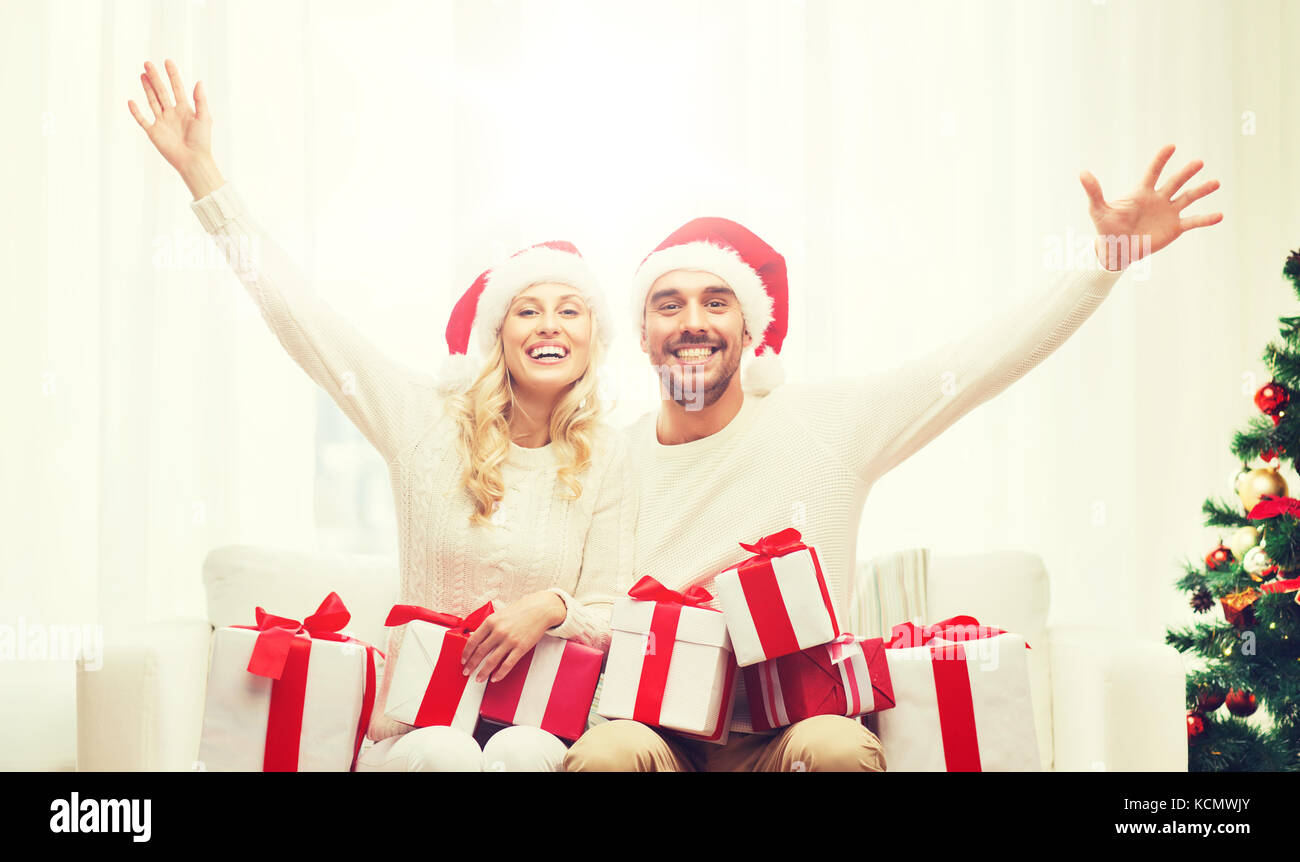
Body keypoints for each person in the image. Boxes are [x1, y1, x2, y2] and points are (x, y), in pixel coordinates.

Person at [564, 145, 1222, 771]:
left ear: (749, 327)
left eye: (716, 301)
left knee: (837, 750)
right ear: (644, 334)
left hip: (789, 732)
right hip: (659, 738)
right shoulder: (610, 460)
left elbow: (971, 366)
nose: (692, 323)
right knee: (604, 755)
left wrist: (1105, 263)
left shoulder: (824, 427)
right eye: (668, 305)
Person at [129, 58, 634, 771]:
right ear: (500, 335)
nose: (549, 326)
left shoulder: (608, 458)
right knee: (445, 753)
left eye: (569, 310)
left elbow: (615, 611)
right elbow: (303, 319)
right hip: (420, 733)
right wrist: (203, 177)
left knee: (524, 754)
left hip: (540, 723)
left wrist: (551, 605)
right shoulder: (425, 422)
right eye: (528, 309)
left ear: (591, 338)